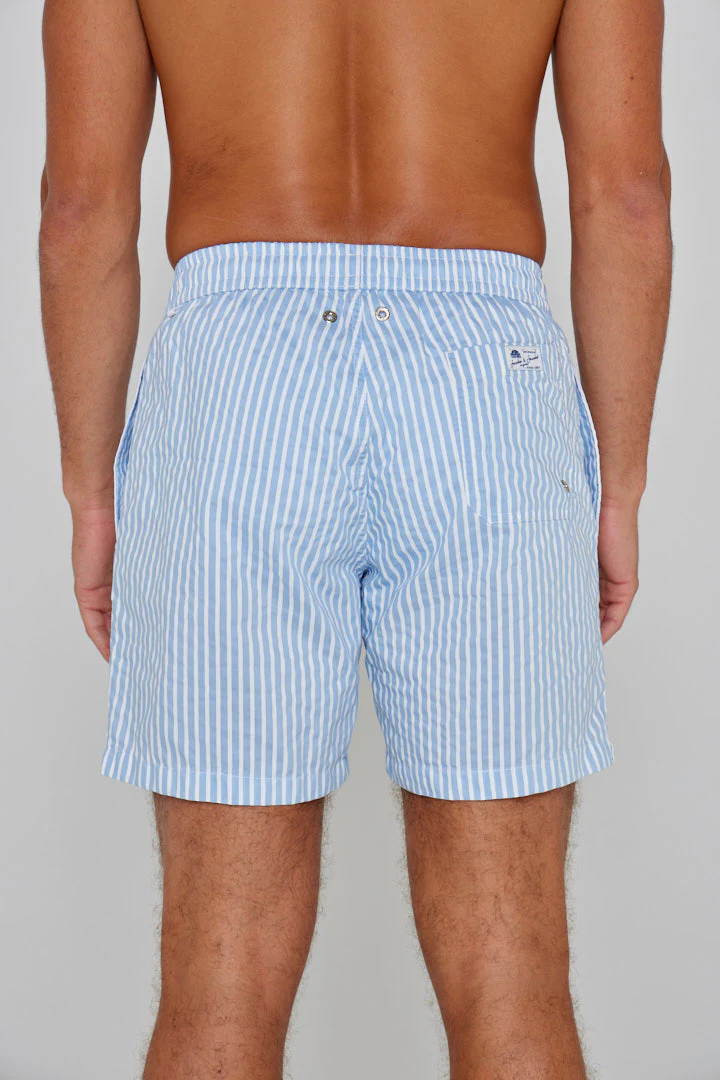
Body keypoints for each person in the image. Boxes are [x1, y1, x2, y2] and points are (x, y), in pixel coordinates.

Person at [39, 0, 671, 1075]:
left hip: (238, 379)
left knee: (218, 985)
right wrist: (621, 488)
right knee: (513, 975)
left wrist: (91, 493)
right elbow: (626, 196)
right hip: (482, 378)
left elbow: (81, 207)